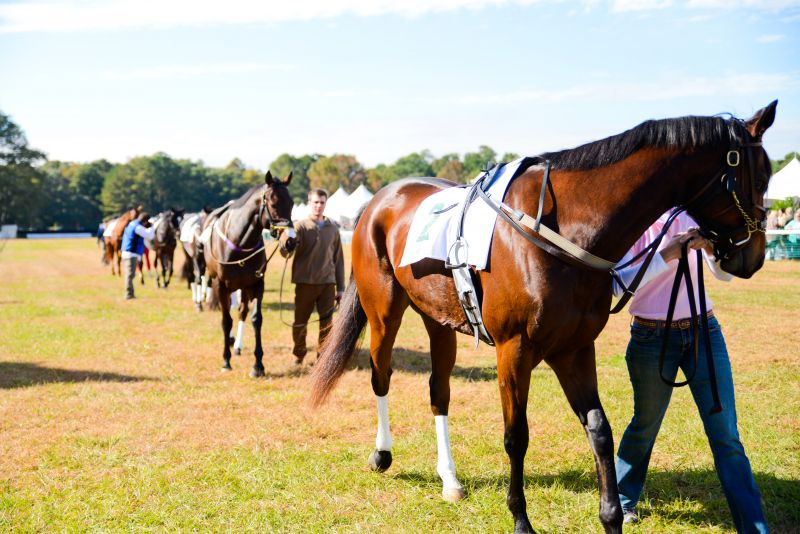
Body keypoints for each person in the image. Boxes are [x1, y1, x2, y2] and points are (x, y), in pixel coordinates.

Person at [611, 209, 768, 533]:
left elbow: (724, 275)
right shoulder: (633, 219)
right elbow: (619, 284)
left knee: (726, 433)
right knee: (645, 425)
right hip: (651, 338)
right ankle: (622, 501)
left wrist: (710, 250)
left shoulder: (695, 213)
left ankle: (753, 526)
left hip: (704, 332)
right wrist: (669, 254)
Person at [279, 189, 345, 365]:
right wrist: (286, 244)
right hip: (305, 283)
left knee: (327, 325)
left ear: (325, 204)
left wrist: (341, 288)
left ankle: (322, 358)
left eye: (322, 202)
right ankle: (299, 353)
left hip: (327, 284)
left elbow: (338, 260)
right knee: (300, 322)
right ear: (309, 202)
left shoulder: (333, 229)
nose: (319, 206)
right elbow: (285, 253)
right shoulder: (300, 227)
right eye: (315, 202)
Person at [121, 211, 155, 299]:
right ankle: (128, 294)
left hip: (128, 252)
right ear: (145, 221)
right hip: (131, 253)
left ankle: (130, 293)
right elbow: (150, 236)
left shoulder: (132, 223)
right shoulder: (138, 227)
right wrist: (152, 226)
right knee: (130, 275)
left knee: (130, 274)